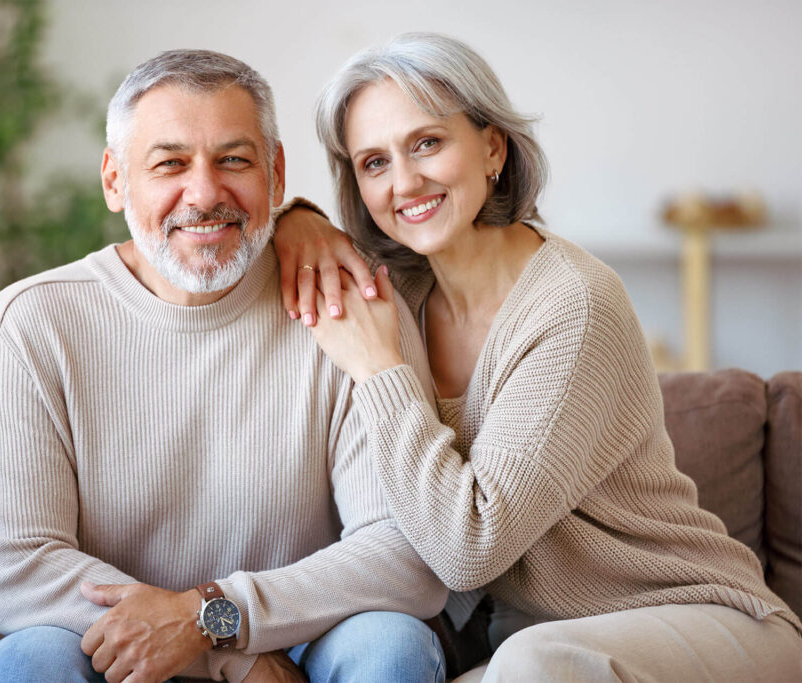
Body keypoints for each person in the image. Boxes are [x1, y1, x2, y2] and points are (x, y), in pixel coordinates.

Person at [273, 32, 802, 680]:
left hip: (702, 620)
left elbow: (470, 549)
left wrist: (381, 371)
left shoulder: (574, 303)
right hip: (541, 649)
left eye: (427, 143)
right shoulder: (399, 295)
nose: (404, 181)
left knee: (531, 663)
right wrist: (297, 218)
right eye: (373, 162)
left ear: (492, 146)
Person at [0, 48, 449, 683]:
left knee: (392, 646)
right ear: (114, 180)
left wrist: (206, 617)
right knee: (28, 662)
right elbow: (17, 567)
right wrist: (227, 649)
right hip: (121, 654)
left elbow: (406, 551)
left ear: (276, 175)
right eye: (169, 163)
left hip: (303, 643)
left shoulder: (347, 304)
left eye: (233, 160)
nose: (205, 192)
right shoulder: (30, 324)